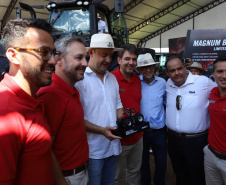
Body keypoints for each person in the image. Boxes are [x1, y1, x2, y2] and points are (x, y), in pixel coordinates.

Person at [0, 18, 59, 184]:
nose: (54, 61)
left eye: (54, 53)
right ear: (14, 55)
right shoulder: (6, 114)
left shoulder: (31, 99)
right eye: (43, 52)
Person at [37, 36, 89, 185]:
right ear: (59, 59)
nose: (85, 64)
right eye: (79, 58)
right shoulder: (51, 94)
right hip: (67, 178)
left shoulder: (72, 89)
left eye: (85, 58)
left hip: (79, 173)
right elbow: (45, 148)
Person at [75, 33, 123, 185]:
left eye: (110, 55)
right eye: (104, 55)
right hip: (93, 151)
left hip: (114, 147)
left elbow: (118, 106)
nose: (108, 60)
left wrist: (125, 124)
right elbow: (77, 119)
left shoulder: (112, 78)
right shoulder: (80, 80)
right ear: (91, 52)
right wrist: (102, 130)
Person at [165, 56, 216, 185]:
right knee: (179, 174)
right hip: (173, 140)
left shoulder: (203, 82)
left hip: (196, 141)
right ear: (167, 73)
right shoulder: (168, 84)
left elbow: (221, 93)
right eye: (172, 70)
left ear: (185, 68)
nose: (177, 73)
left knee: (197, 176)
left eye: (179, 69)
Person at [111, 44, 142, 185]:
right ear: (119, 60)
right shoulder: (111, 79)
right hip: (119, 139)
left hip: (137, 137)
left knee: (134, 172)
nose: (131, 63)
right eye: (127, 59)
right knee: (116, 176)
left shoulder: (137, 79)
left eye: (134, 59)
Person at [137, 53, 167, 185]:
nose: (148, 70)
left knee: (161, 162)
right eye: (144, 68)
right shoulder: (136, 82)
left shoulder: (163, 83)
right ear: (139, 70)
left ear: (155, 66)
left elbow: (166, 103)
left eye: (150, 66)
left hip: (159, 130)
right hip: (141, 131)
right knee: (143, 163)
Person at [203, 57, 226, 185]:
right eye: (220, 71)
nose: (224, 76)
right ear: (213, 74)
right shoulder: (213, 92)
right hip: (211, 155)